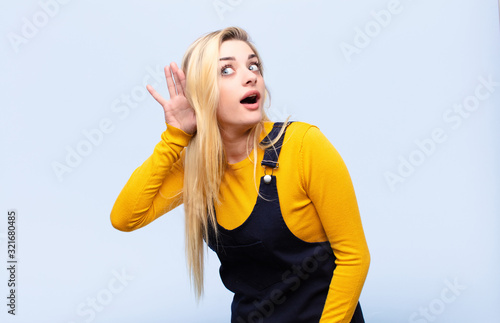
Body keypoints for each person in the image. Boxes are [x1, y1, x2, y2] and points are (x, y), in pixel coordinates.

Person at [110, 26, 370, 323]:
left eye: (253, 65)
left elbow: (354, 257)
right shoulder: (198, 168)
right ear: (201, 93)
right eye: (226, 70)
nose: (250, 76)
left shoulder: (303, 145)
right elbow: (125, 218)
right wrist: (175, 137)